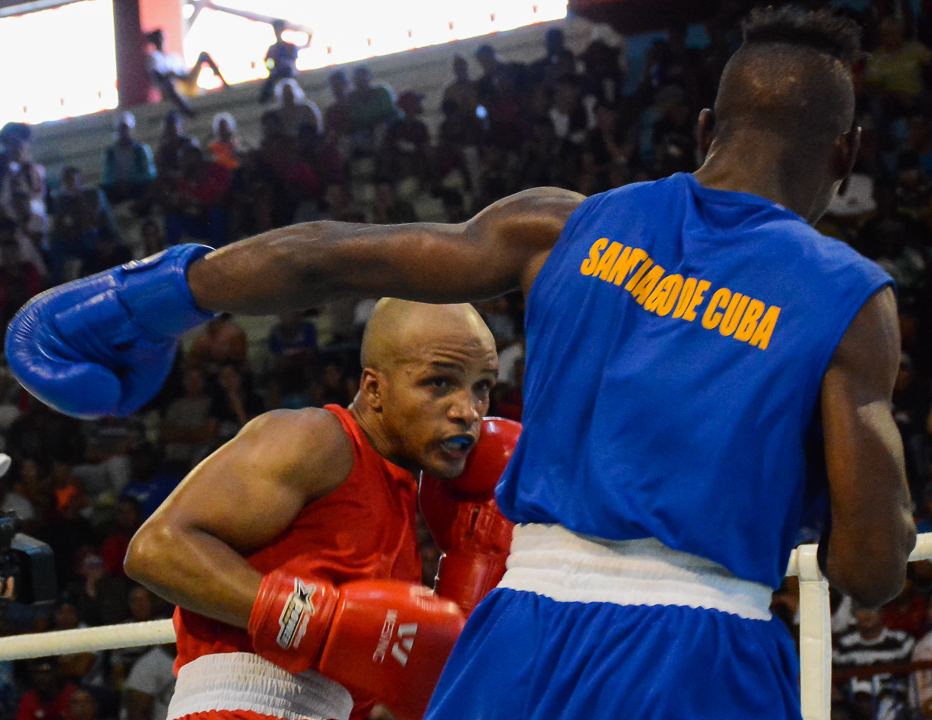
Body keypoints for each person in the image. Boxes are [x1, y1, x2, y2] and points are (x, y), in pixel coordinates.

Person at [5, 7, 918, 719]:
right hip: (700, 646)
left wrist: (157, 296)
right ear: (845, 155)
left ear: (707, 126)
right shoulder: (848, 296)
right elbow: (871, 569)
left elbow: (335, 254)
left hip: (518, 633)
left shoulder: (560, 226)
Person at [123, 299, 515, 720]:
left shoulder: (397, 503)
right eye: (439, 382)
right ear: (373, 389)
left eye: (482, 387)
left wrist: (466, 585)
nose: (468, 411)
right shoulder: (318, 440)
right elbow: (156, 548)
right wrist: (319, 623)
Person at [145, 29, 229, 118]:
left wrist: (183, 74)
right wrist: (171, 75)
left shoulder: (174, 57)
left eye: (162, 38)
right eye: (158, 38)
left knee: (203, 55)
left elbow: (184, 74)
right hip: (172, 90)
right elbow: (157, 78)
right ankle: (188, 110)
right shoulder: (153, 57)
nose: (161, 41)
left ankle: (225, 84)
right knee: (170, 82)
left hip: (186, 84)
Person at [260, 20, 300, 105]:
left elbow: (292, 60)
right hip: (276, 73)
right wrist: (272, 69)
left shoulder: (290, 46)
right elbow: (269, 62)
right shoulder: (272, 49)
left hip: (288, 71)